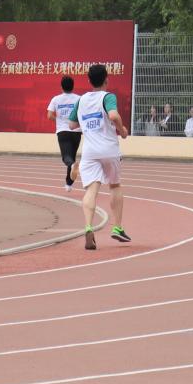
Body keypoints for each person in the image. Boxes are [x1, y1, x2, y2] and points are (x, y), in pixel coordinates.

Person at [68, 64, 130, 250]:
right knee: (115, 185)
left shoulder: (81, 100)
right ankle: (117, 227)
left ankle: (88, 227)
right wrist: (122, 131)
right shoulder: (108, 97)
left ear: (89, 80)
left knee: (91, 190)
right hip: (109, 149)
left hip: (90, 152)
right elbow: (113, 116)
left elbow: (71, 125)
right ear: (106, 79)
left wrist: (87, 122)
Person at [47, 76, 81, 191]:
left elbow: (49, 115)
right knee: (71, 156)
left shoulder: (56, 99)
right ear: (73, 86)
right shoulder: (79, 99)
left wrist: (59, 120)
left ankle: (71, 170)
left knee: (66, 157)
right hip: (76, 131)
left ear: (61, 87)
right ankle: (68, 184)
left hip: (63, 132)